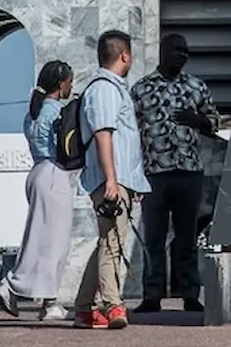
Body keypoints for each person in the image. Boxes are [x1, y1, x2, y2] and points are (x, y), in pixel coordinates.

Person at [130, 33, 221, 315]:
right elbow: (130, 130)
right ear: (163, 52)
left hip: (189, 174)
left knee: (186, 239)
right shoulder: (142, 89)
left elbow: (215, 122)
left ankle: (190, 295)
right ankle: (152, 296)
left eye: (186, 52)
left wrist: (200, 121)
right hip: (154, 174)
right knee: (154, 239)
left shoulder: (196, 87)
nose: (182, 55)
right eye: (177, 50)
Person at [73, 29, 150, 330]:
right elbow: (103, 134)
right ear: (125, 55)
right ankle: (112, 305)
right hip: (110, 180)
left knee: (107, 242)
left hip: (120, 179)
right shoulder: (105, 88)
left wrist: (133, 182)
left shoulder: (112, 87)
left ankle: (83, 308)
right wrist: (112, 181)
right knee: (113, 243)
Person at [0, 60, 76, 321]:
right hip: (54, 173)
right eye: (69, 82)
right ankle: (14, 286)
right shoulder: (56, 113)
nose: (71, 87)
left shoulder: (33, 113)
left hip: (38, 171)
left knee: (48, 240)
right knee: (51, 242)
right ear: (61, 83)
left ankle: (49, 301)